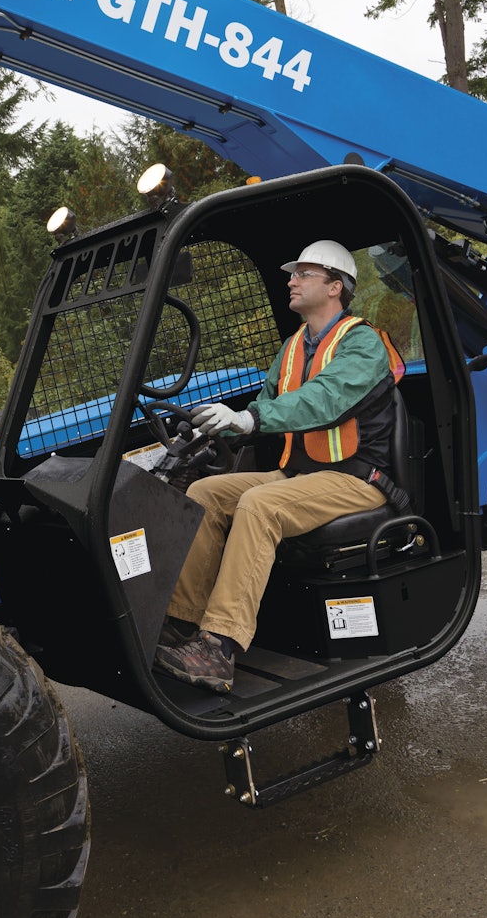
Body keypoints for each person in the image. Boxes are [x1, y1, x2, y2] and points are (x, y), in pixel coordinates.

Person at [154, 240, 402, 694]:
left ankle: (220, 647)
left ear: (334, 286)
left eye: (303, 273)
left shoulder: (362, 343)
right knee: (206, 494)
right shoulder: (293, 346)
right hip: (302, 477)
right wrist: (213, 426)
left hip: (357, 480)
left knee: (257, 504)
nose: (291, 280)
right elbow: (265, 409)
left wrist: (251, 418)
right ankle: (180, 624)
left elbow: (324, 399)